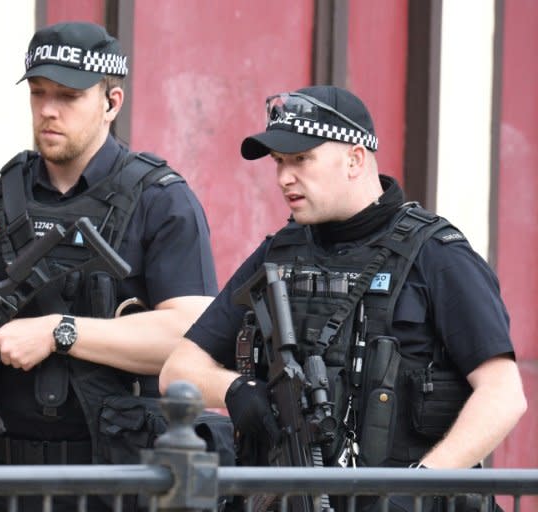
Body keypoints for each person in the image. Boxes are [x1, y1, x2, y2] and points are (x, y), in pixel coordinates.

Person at [159, 85, 527, 511]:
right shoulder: (278, 253)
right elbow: (178, 369)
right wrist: (237, 389)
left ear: (354, 159)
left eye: (301, 159)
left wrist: (421, 485)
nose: (284, 178)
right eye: (279, 162)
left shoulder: (437, 255)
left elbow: (502, 394)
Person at [0, 21, 220, 511]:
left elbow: (192, 337)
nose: (48, 110)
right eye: (38, 92)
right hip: (2, 485)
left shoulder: (162, 202)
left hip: (119, 488)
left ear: (112, 102)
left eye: (68, 96)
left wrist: (59, 332)